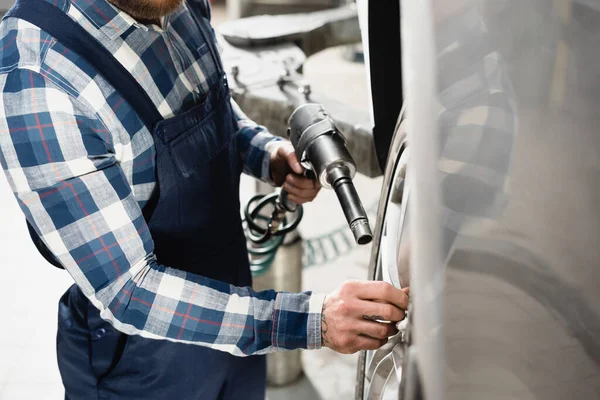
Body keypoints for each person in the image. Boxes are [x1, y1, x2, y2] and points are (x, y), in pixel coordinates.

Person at [0, 0, 409, 398]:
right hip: (142, 366)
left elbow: (212, 103)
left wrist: (268, 156)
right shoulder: (39, 74)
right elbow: (130, 292)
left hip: (236, 325)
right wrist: (311, 319)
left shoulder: (179, 5)